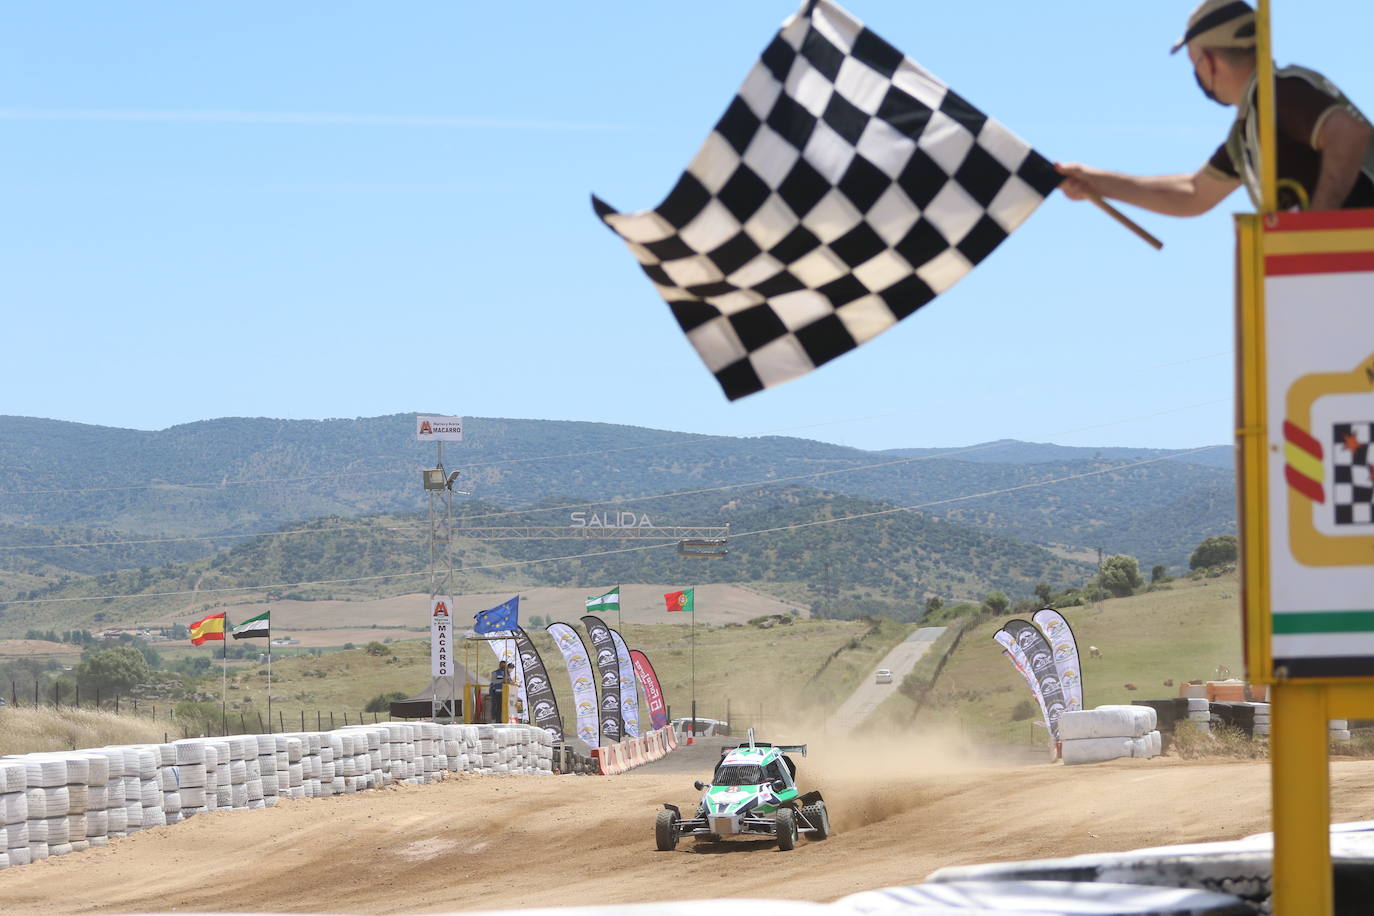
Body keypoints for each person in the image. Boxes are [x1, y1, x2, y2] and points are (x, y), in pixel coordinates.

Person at [1057, 0, 1374, 214]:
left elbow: (1349, 134)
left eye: (1193, 62)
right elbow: (1193, 192)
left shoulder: (1278, 94)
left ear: (1208, 62)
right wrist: (1093, 180)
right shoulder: (1249, 129)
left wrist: (1318, 229)